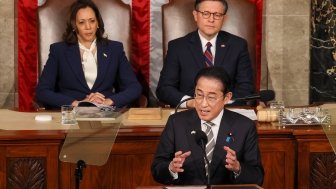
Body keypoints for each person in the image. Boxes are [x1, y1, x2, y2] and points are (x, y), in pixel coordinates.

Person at [152, 67, 264, 186]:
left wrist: (238, 168)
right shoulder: (176, 123)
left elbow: (258, 177)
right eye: (199, 95)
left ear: (227, 98)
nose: (203, 104)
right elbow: (157, 169)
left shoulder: (244, 127)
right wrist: (171, 168)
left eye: (211, 97)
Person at [36, 0, 141, 109]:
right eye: (82, 22)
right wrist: (77, 103)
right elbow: (42, 91)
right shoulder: (59, 51)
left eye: (92, 21)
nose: (88, 27)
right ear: (74, 25)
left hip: (106, 113)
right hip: (71, 115)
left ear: (98, 23)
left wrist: (109, 102)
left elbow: (134, 87)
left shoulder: (115, 49)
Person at [156, 0, 255, 108]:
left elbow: (246, 87)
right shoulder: (177, 47)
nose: (211, 19)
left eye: (217, 15)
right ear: (195, 15)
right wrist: (190, 103)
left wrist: (222, 104)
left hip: (226, 111)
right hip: (190, 112)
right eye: (206, 13)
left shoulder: (238, 45)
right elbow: (164, 89)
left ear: (224, 19)